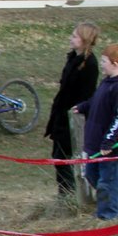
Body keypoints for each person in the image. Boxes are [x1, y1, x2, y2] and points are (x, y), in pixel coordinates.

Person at [44, 22, 99, 198]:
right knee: (58, 156)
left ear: (84, 40)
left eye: (75, 36)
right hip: (61, 116)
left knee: (64, 158)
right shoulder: (72, 58)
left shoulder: (90, 64)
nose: (71, 38)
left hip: (74, 118)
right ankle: (64, 194)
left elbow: (87, 95)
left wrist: (76, 111)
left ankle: (69, 195)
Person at [74, 44, 118, 220]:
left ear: (115, 63)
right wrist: (84, 106)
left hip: (108, 148)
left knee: (106, 182)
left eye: (104, 61)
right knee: (92, 175)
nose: (101, 64)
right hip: (94, 144)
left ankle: (108, 216)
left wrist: (109, 142)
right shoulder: (106, 82)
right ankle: (107, 207)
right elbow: (96, 101)